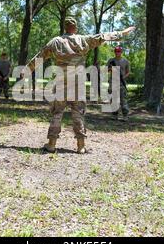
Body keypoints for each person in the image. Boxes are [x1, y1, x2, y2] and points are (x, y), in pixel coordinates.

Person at [25, 17, 135, 154]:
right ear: (75, 27)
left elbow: (40, 56)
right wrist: (123, 33)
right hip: (78, 84)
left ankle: (52, 144)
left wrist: (27, 70)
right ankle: (80, 146)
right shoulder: (83, 40)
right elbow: (103, 36)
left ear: (65, 27)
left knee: (57, 112)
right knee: (78, 113)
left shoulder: (56, 42)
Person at [107, 46, 131, 121]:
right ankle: (115, 115)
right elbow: (106, 70)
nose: (117, 53)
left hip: (121, 83)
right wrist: (110, 68)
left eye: (119, 51)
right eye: (116, 51)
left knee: (123, 100)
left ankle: (125, 116)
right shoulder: (111, 60)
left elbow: (128, 72)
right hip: (113, 82)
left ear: (121, 52)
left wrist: (123, 77)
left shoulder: (125, 61)